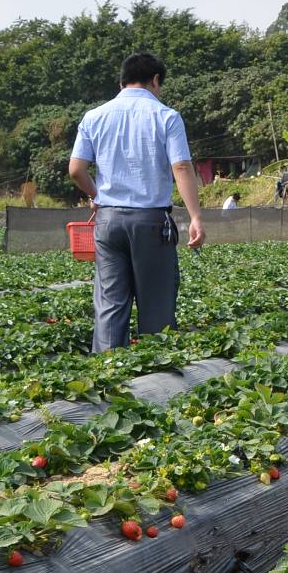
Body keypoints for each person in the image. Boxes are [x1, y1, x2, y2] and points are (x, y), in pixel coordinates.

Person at [68, 52, 206, 353]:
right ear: (155, 80)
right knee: (156, 306)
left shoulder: (94, 116)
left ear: (121, 82)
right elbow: (181, 168)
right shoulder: (166, 116)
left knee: (110, 305)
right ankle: (155, 380)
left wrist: (96, 195)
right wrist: (195, 216)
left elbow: (76, 170)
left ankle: (106, 377)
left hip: (108, 222)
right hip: (151, 222)